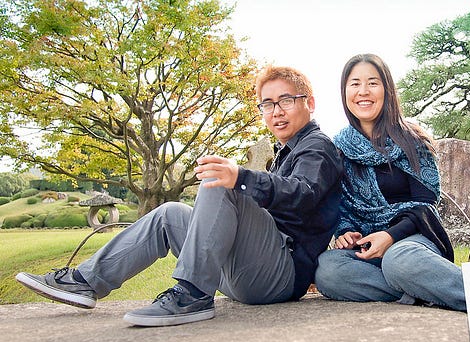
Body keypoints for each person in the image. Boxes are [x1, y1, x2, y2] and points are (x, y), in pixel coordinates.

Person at [16, 65, 343, 327]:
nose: (276, 112)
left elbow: (303, 194)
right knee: (171, 212)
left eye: (286, 100)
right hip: (248, 271)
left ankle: (192, 294)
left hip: (279, 274)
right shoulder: (285, 150)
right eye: (267, 104)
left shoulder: (318, 147)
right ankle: (86, 282)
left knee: (221, 181)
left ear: (309, 103)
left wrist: (240, 178)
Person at [314, 54, 466, 311]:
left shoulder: (412, 140)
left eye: (373, 83)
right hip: (368, 248)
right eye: (355, 84)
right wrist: (347, 233)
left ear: (387, 90)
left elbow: (425, 207)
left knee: (399, 260)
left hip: (413, 239)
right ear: (345, 92)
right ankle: (420, 289)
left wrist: (390, 235)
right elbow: (342, 207)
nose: (363, 91)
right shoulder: (338, 148)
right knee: (328, 269)